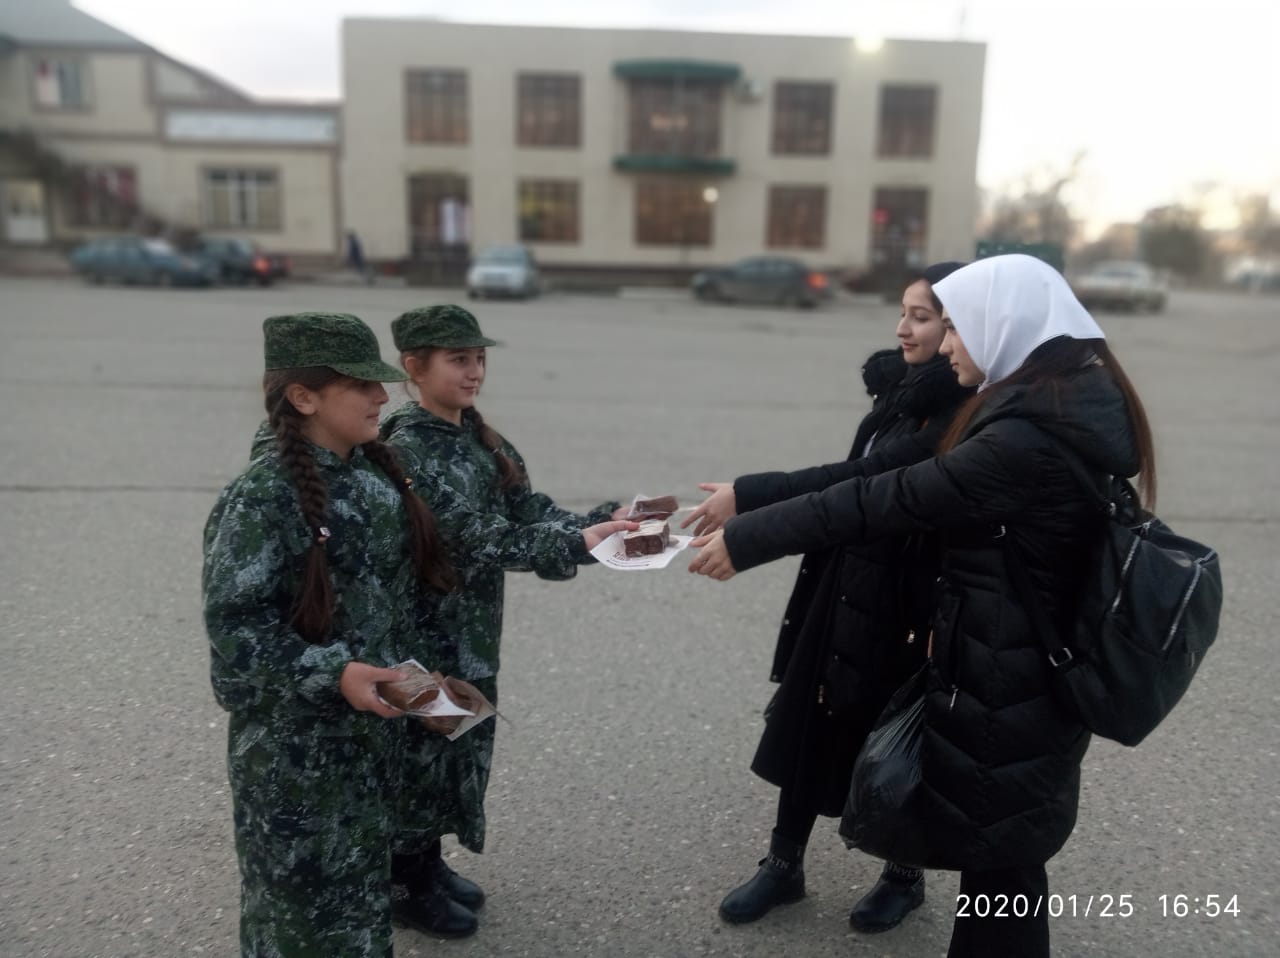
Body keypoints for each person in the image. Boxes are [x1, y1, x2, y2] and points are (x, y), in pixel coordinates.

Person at [688, 254, 1155, 957]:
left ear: (1003, 327)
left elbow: (886, 495)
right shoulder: (1056, 405)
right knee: (1003, 867)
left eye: (956, 326)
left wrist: (749, 535)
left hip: (1012, 684)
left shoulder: (1022, 438)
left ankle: (906, 883)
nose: (947, 344)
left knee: (1002, 878)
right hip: (1016, 671)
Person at [681, 262, 973, 932]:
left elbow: (864, 478)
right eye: (903, 312)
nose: (902, 329)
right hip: (848, 579)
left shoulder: (958, 410)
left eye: (922, 318)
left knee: (896, 734)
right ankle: (783, 864)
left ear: (959, 328)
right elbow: (853, 483)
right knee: (810, 719)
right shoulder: (901, 389)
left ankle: (903, 876)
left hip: (911, 597)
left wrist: (750, 498)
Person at [202, 312, 456, 956]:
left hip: (368, 750)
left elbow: (386, 611)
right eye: (360, 385)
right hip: (295, 761)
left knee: (361, 915)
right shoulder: (261, 497)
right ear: (303, 396)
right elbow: (236, 630)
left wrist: (418, 686)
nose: (382, 396)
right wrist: (334, 673)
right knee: (298, 925)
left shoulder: (371, 483)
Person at [380, 303, 636, 938]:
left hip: (469, 635)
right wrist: (577, 544)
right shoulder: (405, 447)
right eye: (458, 360)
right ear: (414, 367)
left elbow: (527, 510)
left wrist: (601, 523)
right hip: (417, 638)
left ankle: (426, 863)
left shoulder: (481, 437)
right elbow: (470, 535)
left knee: (457, 748)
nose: (474, 372)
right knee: (419, 754)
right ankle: (402, 881)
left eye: (479, 358)